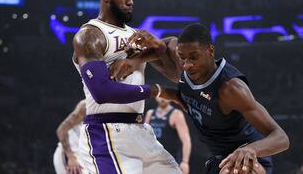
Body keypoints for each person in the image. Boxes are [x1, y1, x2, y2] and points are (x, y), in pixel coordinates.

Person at [111, 23, 290, 174]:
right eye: (182, 58)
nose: (188, 65)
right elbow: (166, 46)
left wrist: (250, 149)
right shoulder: (182, 60)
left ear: (210, 51)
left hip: (245, 158)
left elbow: (281, 138)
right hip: (217, 158)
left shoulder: (231, 89)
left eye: (194, 58)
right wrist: (136, 62)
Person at [72, 0, 181, 174]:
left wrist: (158, 47)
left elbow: (175, 75)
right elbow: (102, 92)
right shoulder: (91, 35)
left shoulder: (135, 36)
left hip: (141, 131)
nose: (130, 1)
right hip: (107, 132)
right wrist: (158, 91)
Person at [145, 97, 191, 174]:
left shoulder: (176, 114)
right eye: (160, 96)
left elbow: (186, 140)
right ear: (156, 97)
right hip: (153, 161)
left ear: (170, 98)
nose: (163, 99)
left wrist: (185, 162)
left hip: (171, 161)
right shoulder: (150, 113)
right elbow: (145, 138)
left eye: (165, 96)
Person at [54, 100, 86, 174]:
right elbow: (61, 130)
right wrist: (71, 157)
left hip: (85, 154)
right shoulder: (86, 106)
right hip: (70, 154)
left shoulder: (113, 108)